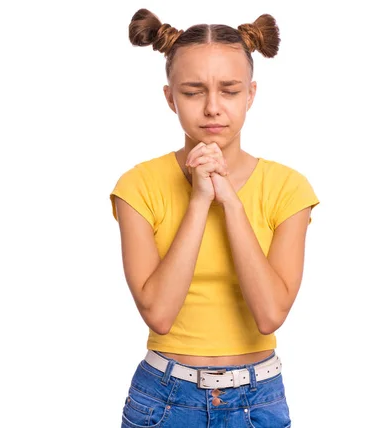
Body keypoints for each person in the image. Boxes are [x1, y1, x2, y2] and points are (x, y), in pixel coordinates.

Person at [110, 8, 320, 427]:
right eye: (192, 92)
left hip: (258, 399)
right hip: (164, 399)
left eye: (229, 90)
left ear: (251, 94)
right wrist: (199, 200)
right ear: (170, 97)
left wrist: (232, 203)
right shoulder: (138, 185)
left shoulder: (288, 188)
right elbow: (159, 314)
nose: (212, 108)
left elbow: (270, 315)